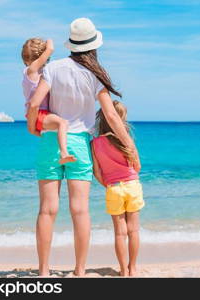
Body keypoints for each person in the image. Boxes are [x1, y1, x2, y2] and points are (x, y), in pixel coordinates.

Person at [26, 18, 140, 277]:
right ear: (93, 46)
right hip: (78, 143)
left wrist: (33, 126)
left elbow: (34, 103)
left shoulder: (53, 68)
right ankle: (79, 270)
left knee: (47, 209)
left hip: (50, 139)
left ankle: (43, 271)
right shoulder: (94, 75)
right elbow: (111, 116)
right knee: (80, 210)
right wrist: (130, 146)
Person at [92, 101, 143, 277]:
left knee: (120, 234)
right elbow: (137, 166)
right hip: (132, 185)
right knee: (133, 231)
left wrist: (109, 184)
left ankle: (123, 270)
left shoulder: (95, 143)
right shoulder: (126, 139)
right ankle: (133, 268)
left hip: (113, 188)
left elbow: (97, 172)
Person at [21, 38, 75, 164]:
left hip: (41, 113)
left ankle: (58, 152)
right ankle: (64, 153)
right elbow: (50, 49)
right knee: (63, 123)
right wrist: (49, 41)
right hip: (39, 113)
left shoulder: (43, 72)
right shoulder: (31, 71)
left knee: (53, 131)